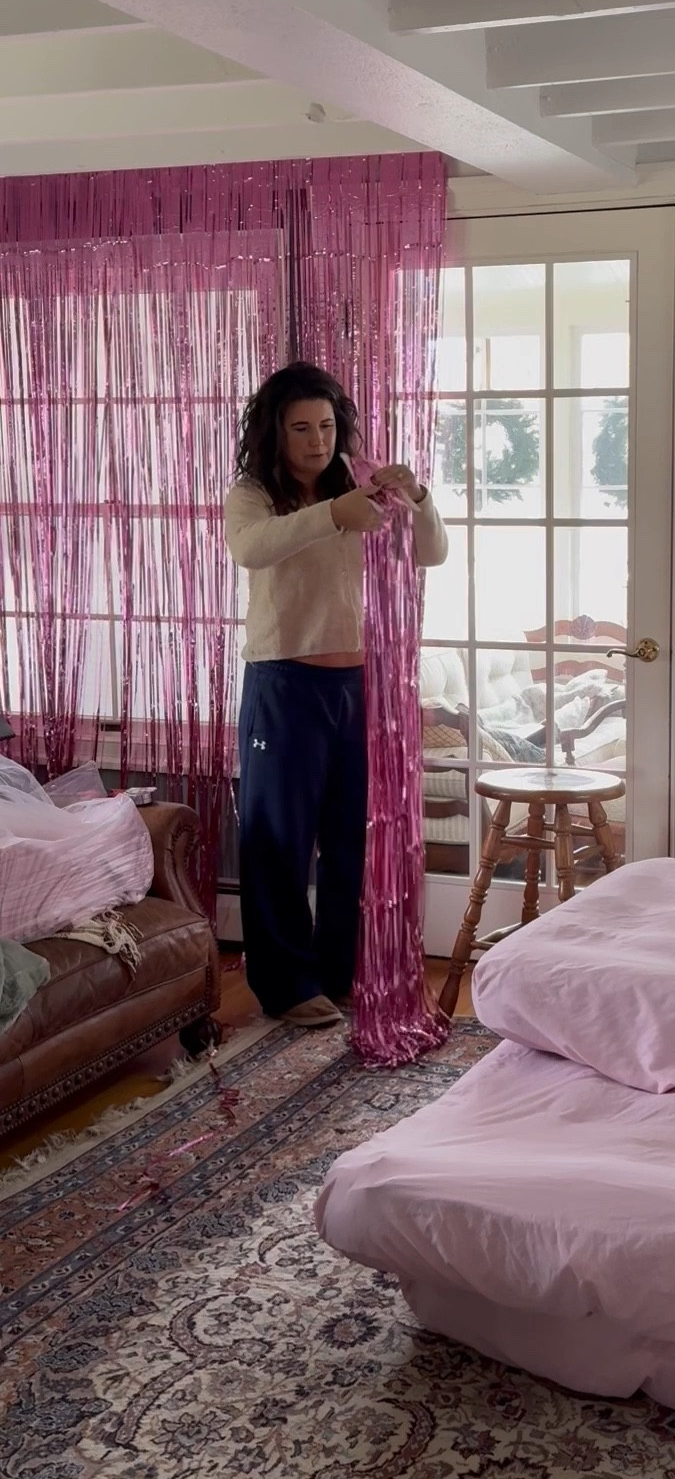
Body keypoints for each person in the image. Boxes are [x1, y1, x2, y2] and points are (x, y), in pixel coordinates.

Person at [224, 360, 448, 1029]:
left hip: (361, 686)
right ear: (276, 432)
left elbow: (430, 552)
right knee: (279, 840)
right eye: (301, 428)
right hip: (285, 684)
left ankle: (340, 973)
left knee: (354, 836)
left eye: (325, 425)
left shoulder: (362, 487)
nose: (316, 440)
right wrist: (331, 515)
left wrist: (420, 496)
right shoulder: (253, 493)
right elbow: (251, 549)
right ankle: (287, 987)